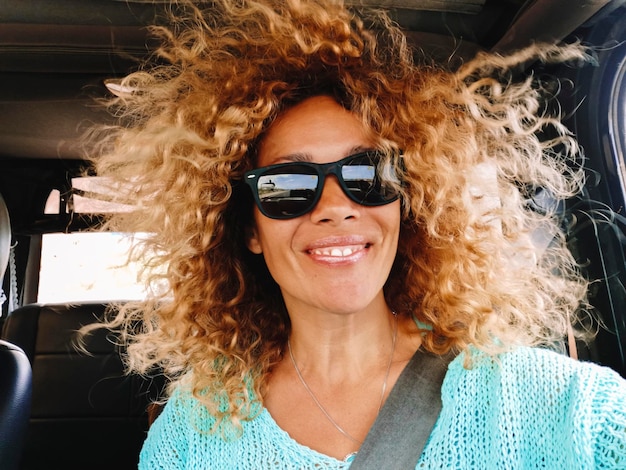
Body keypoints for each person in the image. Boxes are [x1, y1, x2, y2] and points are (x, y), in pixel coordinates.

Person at [86, 0, 626, 468]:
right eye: (287, 185)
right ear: (249, 227)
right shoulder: (191, 433)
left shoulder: (558, 408)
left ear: (406, 204)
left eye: (368, 174)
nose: (337, 207)